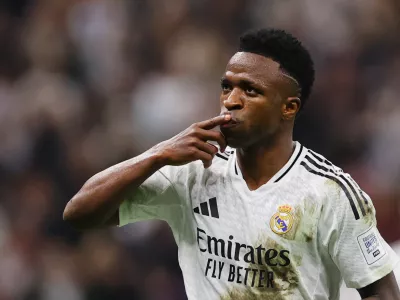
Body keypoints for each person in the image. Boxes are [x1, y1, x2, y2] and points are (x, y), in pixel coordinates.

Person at [63, 28, 400, 300]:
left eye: (250, 91)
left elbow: (381, 291)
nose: (231, 100)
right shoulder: (195, 171)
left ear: (289, 107)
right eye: (227, 86)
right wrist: (158, 154)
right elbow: (79, 213)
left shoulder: (330, 192)